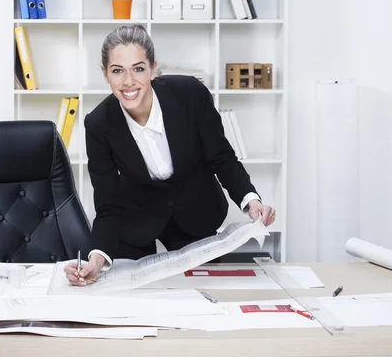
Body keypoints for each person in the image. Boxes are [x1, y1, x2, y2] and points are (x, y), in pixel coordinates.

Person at [64, 24, 275, 286]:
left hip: (196, 213)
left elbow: (221, 158)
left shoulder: (190, 95)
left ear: (153, 69)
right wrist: (95, 260)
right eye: (118, 71)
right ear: (105, 74)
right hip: (137, 222)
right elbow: (107, 203)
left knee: (205, 294)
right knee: (134, 298)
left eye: (138, 68)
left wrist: (252, 202)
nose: (128, 82)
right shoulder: (98, 124)